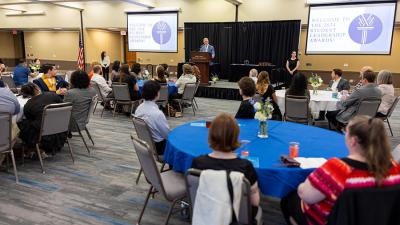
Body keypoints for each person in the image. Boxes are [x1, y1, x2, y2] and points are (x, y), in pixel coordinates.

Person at [281, 116, 400, 225]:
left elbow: (306, 196)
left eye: (345, 132)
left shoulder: (337, 168)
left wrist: (303, 184)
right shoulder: (395, 169)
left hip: (329, 220)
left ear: (353, 140)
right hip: (378, 218)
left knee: (289, 199)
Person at [191, 113, 260, 221]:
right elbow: (254, 202)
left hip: (206, 214)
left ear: (211, 135)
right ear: (236, 137)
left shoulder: (198, 163)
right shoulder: (246, 167)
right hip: (237, 217)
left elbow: (195, 194)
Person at [17, 83, 66, 155]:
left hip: (43, 133)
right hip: (61, 130)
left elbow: (29, 117)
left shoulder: (28, 104)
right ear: (37, 88)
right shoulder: (53, 95)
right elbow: (63, 106)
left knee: (21, 124)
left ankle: (28, 148)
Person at [135, 80, 170, 155]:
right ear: (156, 94)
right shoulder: (158, 114)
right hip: (158, 147)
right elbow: (167, 135)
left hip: (145, 144)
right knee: (177, 143)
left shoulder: (138, 109)